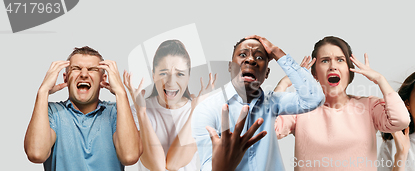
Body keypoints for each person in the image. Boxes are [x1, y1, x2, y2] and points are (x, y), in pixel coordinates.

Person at [274, 36, 410, 171]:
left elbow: (401, 120)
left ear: (349, 70)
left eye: (340, 60)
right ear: (314, 73)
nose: (333, 66)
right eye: (325, 61)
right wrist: (284, 83)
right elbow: (268, 131)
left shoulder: (369, 106)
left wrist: (380, 79)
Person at [191, 35, 324, 171]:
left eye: (259, 57)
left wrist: (277, 52)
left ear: (266, 73)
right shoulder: (207, 109)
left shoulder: (273, 102)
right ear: (230, 67)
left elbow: (313, 99)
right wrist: (223, 165)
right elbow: (206, 165)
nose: (250, 60)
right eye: (243, 54)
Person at [24, 46, 141, 171]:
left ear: (103, 79)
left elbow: (130, 157)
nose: (84, 74)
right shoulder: (51, 112)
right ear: (65, 78)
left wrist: (121, 93)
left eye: (92, 69)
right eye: (76, 69)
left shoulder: (116, 112)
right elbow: (36, 154)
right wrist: (43, 91)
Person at [123, 40, 215, 171]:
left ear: (188, 77)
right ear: (153, 75)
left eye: (180, 74)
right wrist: (142, 113)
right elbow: (157, 166)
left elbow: (174, 164)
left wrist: (196, 110)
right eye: (163, 73)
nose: (171, 82)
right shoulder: (137, 111)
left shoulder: (200, 112)